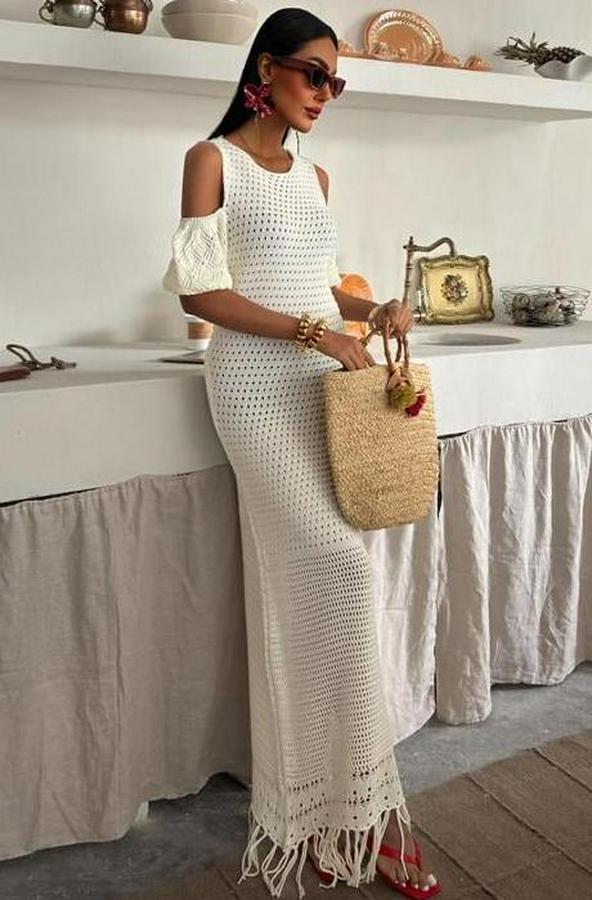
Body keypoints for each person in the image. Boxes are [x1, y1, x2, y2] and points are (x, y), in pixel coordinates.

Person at [161, 7, 440, 898]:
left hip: (318, 390)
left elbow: (317, 284)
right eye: (313, 74)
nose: (325, 93)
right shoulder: (212, 160)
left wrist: (370, 311)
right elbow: (200, 294)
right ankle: (362, 817)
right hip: (253, 390)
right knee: (340, 571)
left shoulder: (315, 177)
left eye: (335, 82)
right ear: (264, 71)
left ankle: (335, 813)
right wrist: (318, 332)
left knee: (323, 589)